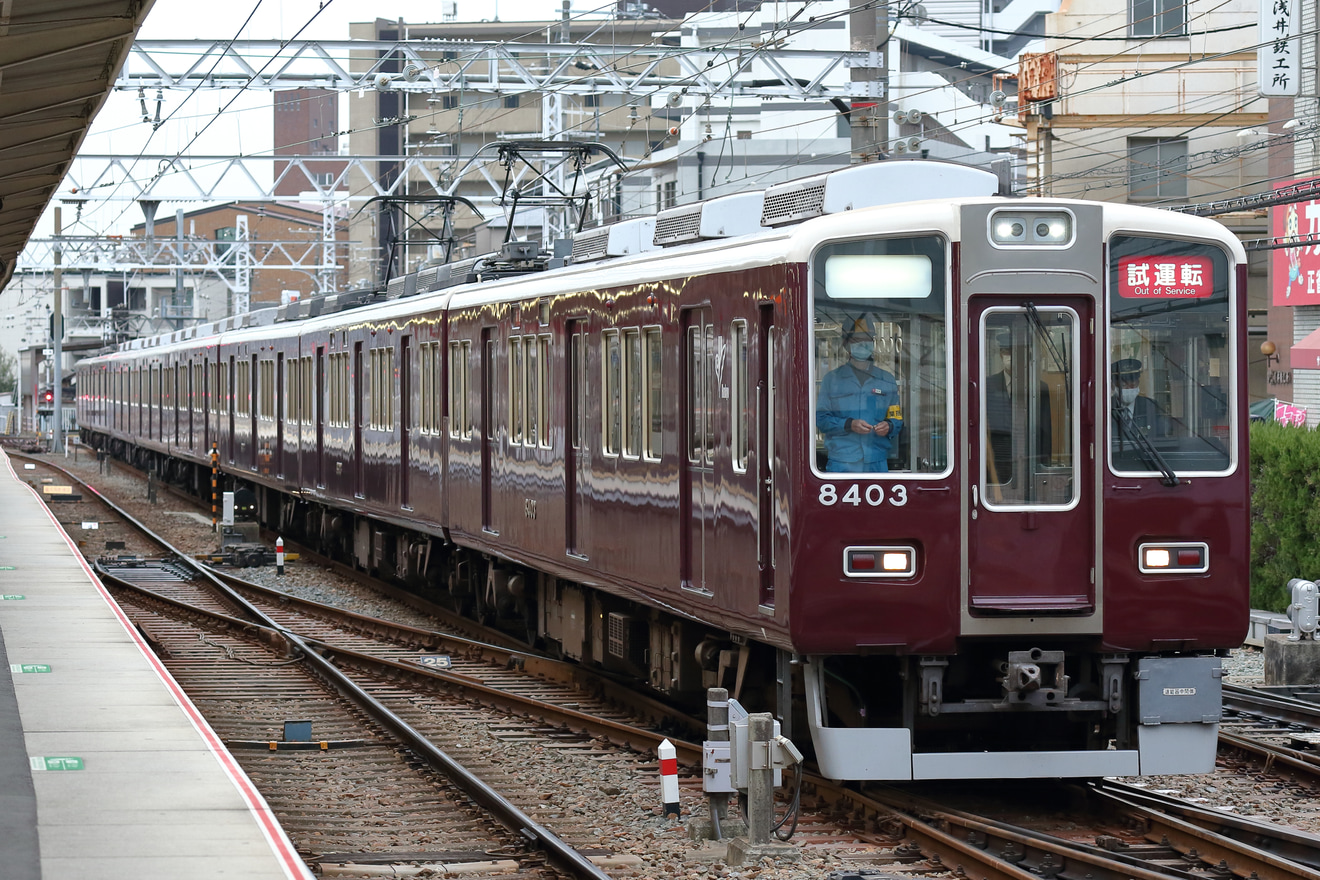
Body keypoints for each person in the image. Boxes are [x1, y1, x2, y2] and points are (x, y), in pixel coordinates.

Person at [816, 321, 903, 473]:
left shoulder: (886, 380)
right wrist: (849, 425)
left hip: (877, 461)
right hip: (842, 462)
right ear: (846, 344)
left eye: (867, 339)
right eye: (857, 340)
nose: (863, 344)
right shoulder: (832, 380)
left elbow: (896, 418)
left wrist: (889, 426)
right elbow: (821, 420)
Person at [985, 332, 1052, 487]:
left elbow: (1046, 430)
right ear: (1001, 354)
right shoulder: (988, 385)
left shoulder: (1039, 388)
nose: (1011, 356)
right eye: (1007, 351)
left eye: (1017, 352)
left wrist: (1044, 464)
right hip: (996, 461)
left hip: (1029, 460)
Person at [1112, 357, 1166, 439]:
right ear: (1114, 385)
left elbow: (1161, 439)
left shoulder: (1150, 406)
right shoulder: (1106, 408)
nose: (1129, 388)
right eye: (1123, 385)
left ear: (1138, 382)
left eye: (1132, 385)